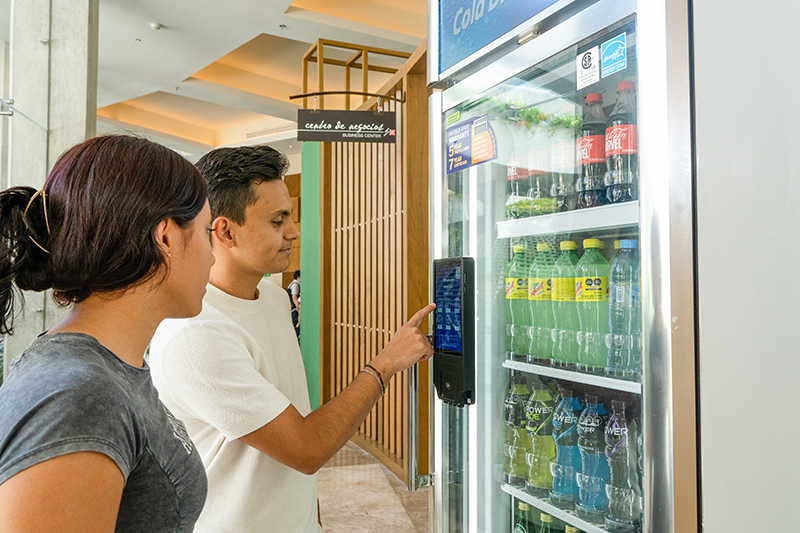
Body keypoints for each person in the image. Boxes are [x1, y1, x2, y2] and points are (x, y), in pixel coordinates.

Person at [148, 145, 434, 533]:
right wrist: (384, 366)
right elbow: (306, 449)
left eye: (291, 217)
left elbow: (292, 423)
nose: (293, 232)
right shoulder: (196, 332)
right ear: (226, 231)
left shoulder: (273, 298)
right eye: (277, 220)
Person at [0, 135, 213, 532]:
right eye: (206, 233)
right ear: (165, 237)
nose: (213, 255)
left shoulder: (110, 371)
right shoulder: (78, 396)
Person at [288, 269, 300, 338]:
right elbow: (294, 297)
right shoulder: (295, 285)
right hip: (294, 308)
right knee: (296, 324)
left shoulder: (292, 283)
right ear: (298, 277)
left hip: (292, 308)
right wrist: (298, 308)